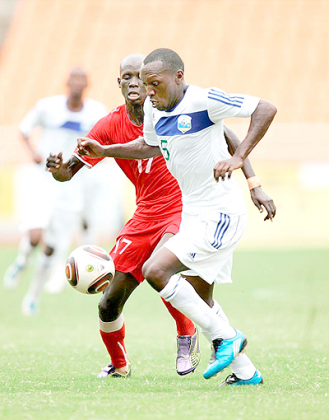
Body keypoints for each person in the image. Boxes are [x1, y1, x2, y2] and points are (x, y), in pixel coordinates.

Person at [47, 53, 276, 383]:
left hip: (196, 211)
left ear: (169, 77)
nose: (138, 85)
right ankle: (244, 371)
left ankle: (206, 339)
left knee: (159, 270)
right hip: (156, 215)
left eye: (146, 80)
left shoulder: (196, 101)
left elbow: (240, 129)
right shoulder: (134, 118)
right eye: (129, 77)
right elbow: (143, 147)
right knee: (134, 300)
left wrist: (250, 177)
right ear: (120, 83)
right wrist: (83, 160)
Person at [3, 67, 109, 315]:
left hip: (71, 185)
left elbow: (105, 140)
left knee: (50, 247)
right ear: (67, 82)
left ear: (87, 85)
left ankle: (32, 295)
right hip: (43, 180)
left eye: (81, 80)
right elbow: (24, 130)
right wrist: (34, 154)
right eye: (73, 79)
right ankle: (22, 260)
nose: (77, 84)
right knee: (34, 236)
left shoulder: (96, 112)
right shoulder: (47, 107)